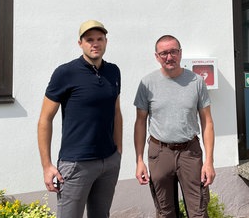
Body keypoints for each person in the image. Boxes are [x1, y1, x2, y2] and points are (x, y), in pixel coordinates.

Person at [37, 20, 122, 218]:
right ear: (80, 43)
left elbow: (116, 112)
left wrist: (118, 151)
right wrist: (47, 165)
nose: (95, 43)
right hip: (76, 163)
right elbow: (44, 119)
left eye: (99, 39)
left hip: (108, 162)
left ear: (106, 42)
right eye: (89, 39)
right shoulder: (65, 73)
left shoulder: (113, 71)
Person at [134, 35, 215, 218]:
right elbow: (140, 123)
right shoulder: (147, 83)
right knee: (165, 211)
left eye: (173, 52)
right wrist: (139, 161)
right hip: (160, 152)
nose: (169, 57)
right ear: (157, 56)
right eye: (164, 53)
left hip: (190, 153)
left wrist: (209, 161)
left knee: (198, 211)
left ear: (180, 53)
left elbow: (207, 122)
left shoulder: (196, 82)